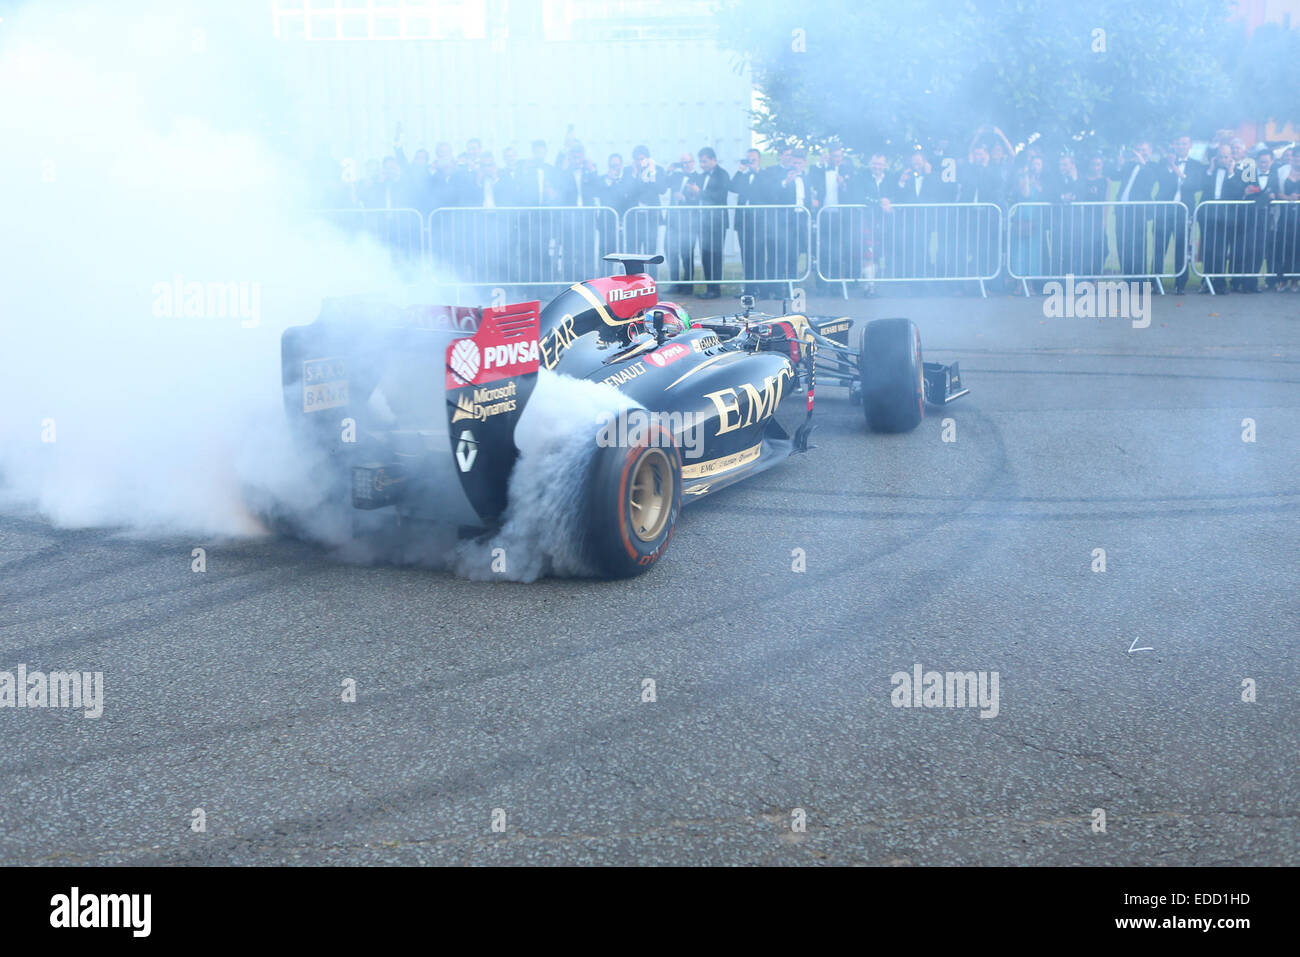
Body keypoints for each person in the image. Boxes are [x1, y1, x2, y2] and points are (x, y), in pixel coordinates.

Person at [1151, 135, 1204, 294]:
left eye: (1184, 144)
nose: (1181, 147)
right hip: (1164, 211)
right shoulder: (1163, 163)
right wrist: (1169, 165)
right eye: (1178, 144)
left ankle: (1180, 284)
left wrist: (1176, 169)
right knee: (1159, 247)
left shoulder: (1196, 165)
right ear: (1174, 145)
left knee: (1182, 248)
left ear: (1190, 146)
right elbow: (1161, 181)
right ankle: (1155, 282)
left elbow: (1194, 186)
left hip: (1183, 212)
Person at [1198, 142, 1246, 293]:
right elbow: (1201, 186)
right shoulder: (1209, 171)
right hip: (1208, 214)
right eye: (1220, 156)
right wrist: (1211, 170)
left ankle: (1219, 282)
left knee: (1221, 250)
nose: (1223, 159)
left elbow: (1238, 192)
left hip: (1227, 216)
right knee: (1207, 249)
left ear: (1231, 157)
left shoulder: (1239, 171)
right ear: (1215, 157)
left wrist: (1231, 173)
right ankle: (1206, 281)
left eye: (1226, 156)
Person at [1110, 141, 1156, 277]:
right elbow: (1115, 176)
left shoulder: (1151, 166)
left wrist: (1142, 161)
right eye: (1138, 149)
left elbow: (1150, 180)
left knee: (1138, 246)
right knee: (1122, 244)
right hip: (1122, 210)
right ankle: (1127, 279)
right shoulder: (1129, 165)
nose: (1140, 152)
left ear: (1150, 152)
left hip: (1138, 212)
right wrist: (1119, 163)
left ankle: (1139, 282)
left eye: (1144, 149)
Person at [691, 147, 730, 298]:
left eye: (704, 161)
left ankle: (716, 288)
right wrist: (692, 192)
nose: (702, 164)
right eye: (700, 161)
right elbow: (698, 197)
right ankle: (709, 287)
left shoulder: (723, 175)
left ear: (713, 160)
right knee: (705, 254)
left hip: (717, 221)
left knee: (716, 254)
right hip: (702, 221)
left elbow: (719, 196)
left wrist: (699, 192)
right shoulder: (701, 177)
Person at [731, 149, 766, 295]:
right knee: (746, 255)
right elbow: (732, 187)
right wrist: (740, 170)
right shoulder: (743, 176)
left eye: (753, 160)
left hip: (758, 220)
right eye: (748, 160)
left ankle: (760, 287)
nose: (750, 162)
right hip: (744, 220)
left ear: (759, 160)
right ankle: (749, 288)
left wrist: (756, 171)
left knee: (758, 255)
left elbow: (768, 190)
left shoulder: (764, 175)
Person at [664, 153, 698, 293]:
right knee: (670, 251)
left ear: (692, 162)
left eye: (686, 162)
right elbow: (663, 185)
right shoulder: (676, 176)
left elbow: (699, 199)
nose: (684, 165)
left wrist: (684, 198)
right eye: (681, 163)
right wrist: (669, 170)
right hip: (673, 220)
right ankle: (675, 283)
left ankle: (688, 285)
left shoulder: (698, 177)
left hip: (688, 221)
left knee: (686, 253)